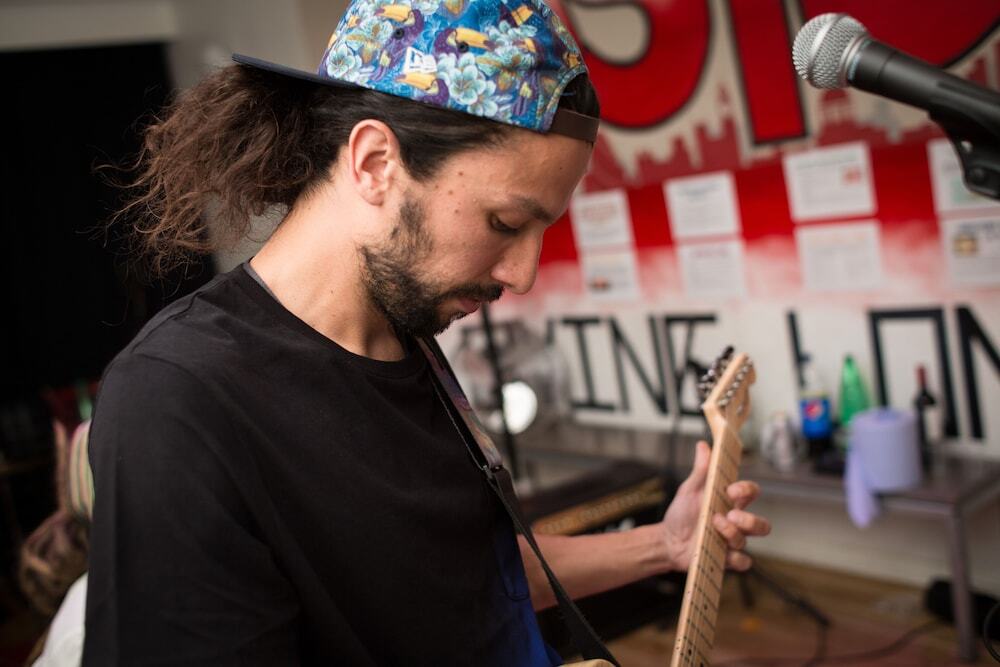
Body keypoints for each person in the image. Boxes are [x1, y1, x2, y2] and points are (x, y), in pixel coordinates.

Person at [84, 0, 771, 664]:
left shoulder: (405, 340)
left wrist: (665, 545)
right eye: (505, 223)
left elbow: (466, 584)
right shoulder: (179, 399)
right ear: (375, 163)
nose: (524, 274)